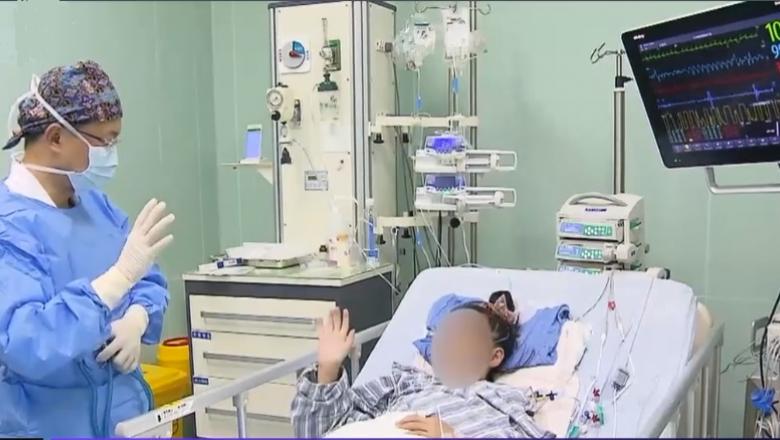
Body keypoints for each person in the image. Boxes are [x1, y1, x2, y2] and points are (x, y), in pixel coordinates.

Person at [0, 60, 175, 437]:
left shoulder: (97, 207)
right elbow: (27, 342)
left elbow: (148, 278)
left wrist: (138, 318)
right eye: (104, 141)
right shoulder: (9, 227)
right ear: (55, 138)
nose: (112, 154)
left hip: (124, 419)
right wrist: (115, 282)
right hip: (50, 424)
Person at [290, 306, 553, 438]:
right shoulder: (405, 382)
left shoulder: (503, 403)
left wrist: (451, 436)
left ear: (494, 356)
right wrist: (328, 369)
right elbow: (321, 431)